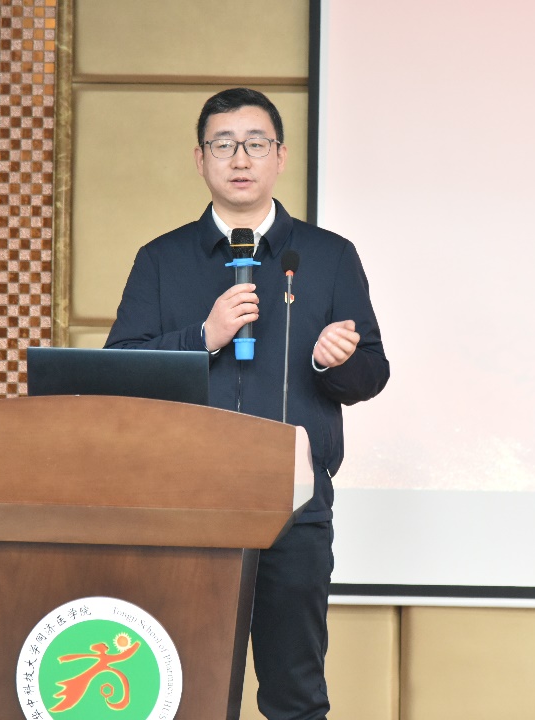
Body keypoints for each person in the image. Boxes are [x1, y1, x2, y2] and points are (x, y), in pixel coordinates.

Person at [104, 87, 389, 719]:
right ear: (199, 159)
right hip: (186, 505)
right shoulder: (161, 260)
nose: (240, 158)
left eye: (256, 144)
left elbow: (372, 372)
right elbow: (120, 370)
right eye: (223, 144)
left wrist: (333, 362)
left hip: (294, 504)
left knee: (295, 695)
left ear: (280, 156)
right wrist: (201, 338)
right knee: (188, 692)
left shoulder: (329, 256)